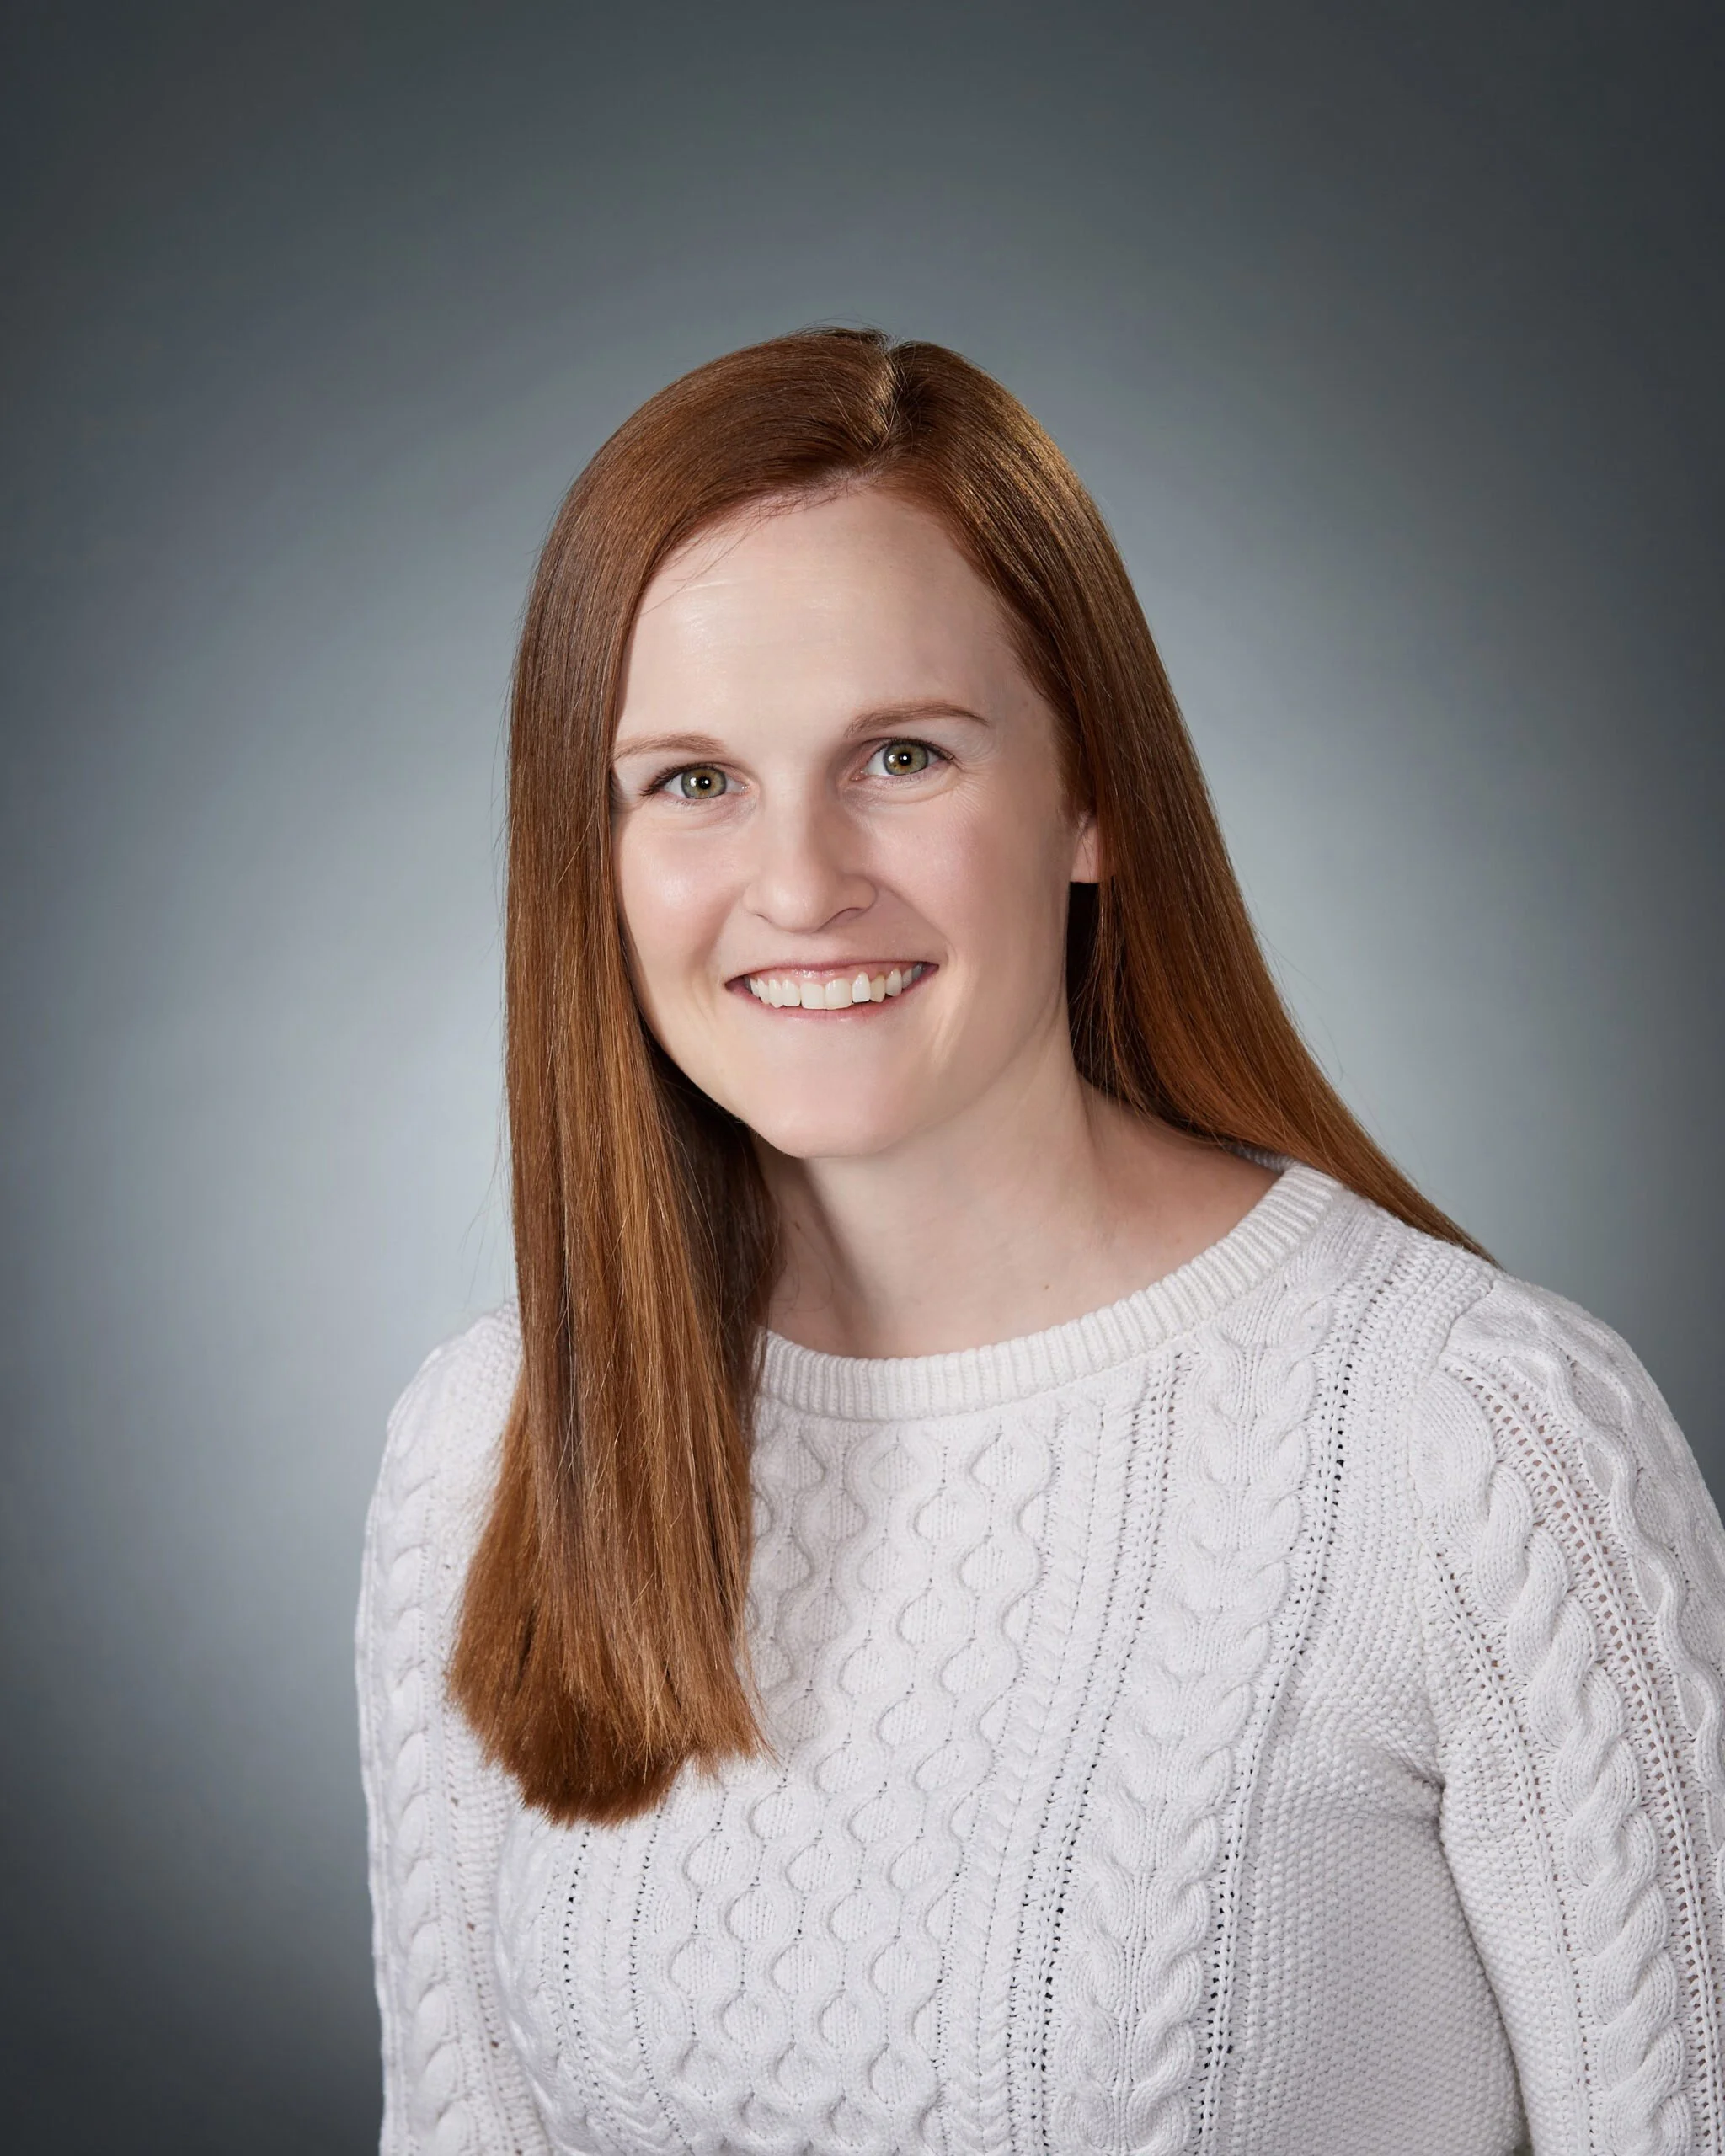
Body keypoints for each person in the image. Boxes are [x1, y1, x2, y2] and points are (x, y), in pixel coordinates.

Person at [357, 328, 1725, 2155]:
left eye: (900, 754)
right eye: (690, 779)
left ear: (1088, 796)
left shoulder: (1468, 1439)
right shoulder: (488, 1444)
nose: (797, 881)